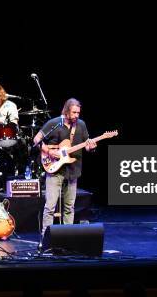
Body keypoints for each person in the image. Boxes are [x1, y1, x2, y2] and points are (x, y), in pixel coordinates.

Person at [33, 98, 97, 234]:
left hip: (73, 170)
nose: (76, 115)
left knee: (70, 207)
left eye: (78, 113)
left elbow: (87, 145)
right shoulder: (54, 123)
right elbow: (36, 139)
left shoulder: (81, 125)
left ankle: (68, 236)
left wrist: (91, 147)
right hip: (55, 169)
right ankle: (46, 237)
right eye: (74, 112)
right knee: (50, 207)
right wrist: (49, 151)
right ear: (66, 111)